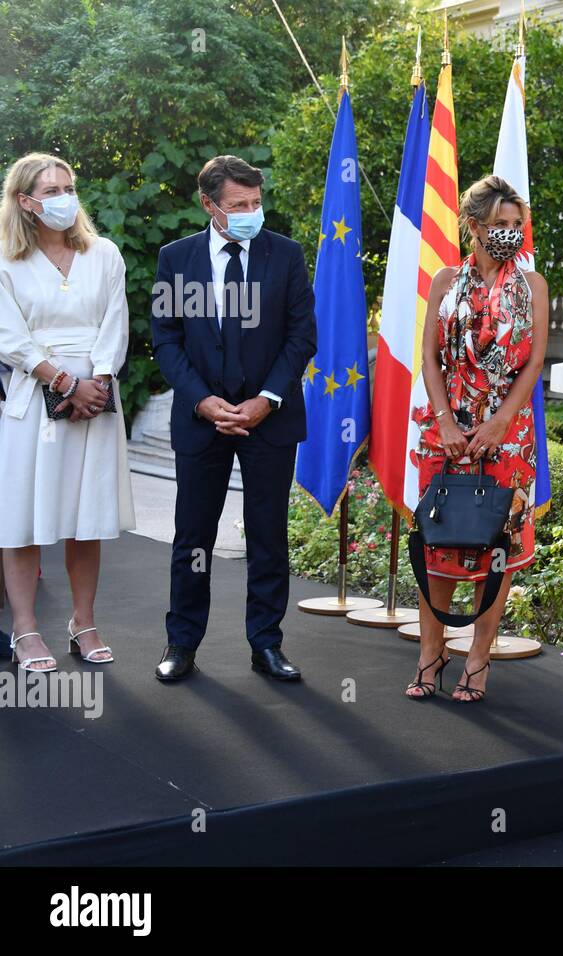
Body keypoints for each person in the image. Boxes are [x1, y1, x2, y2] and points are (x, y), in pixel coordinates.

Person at [149, 155, 316, 682]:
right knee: (193, 538)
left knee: (269, 535)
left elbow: (301, 336)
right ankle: (182, 644)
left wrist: (267, 399)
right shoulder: (176, 259)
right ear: (209, 205)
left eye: (256, 202)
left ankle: (266, 644)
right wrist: (201, 400)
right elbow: (166, 340)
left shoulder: (286, 255)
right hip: (203, 420)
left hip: (270, 418)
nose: (251, 212)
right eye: (238, 205)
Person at [406, 175, 548, 702]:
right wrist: (445, 421)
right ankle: (430, 654)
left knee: (494, 550)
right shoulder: (445, 280)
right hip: (443, 434)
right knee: (438, 542)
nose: (511, 234)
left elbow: (534, 362)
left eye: (517, 225)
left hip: (505, 436)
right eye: (499, 225)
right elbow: (428, 358)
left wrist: (498, 424)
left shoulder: (532, 287)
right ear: (473, 226)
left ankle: (478, 660)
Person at [0, 152, 135, 671]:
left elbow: (114, 322)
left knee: (87, 516)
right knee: (24, 518)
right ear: (25, 201)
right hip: (35, 399)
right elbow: (10, 336)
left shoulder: (104, 253)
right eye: (51, 191)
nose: (63, 198)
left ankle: (84, 622)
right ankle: (26, 630)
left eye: (68, 187)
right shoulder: (7, 261)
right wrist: (62, 383)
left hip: (96, 401)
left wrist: (96, 384)